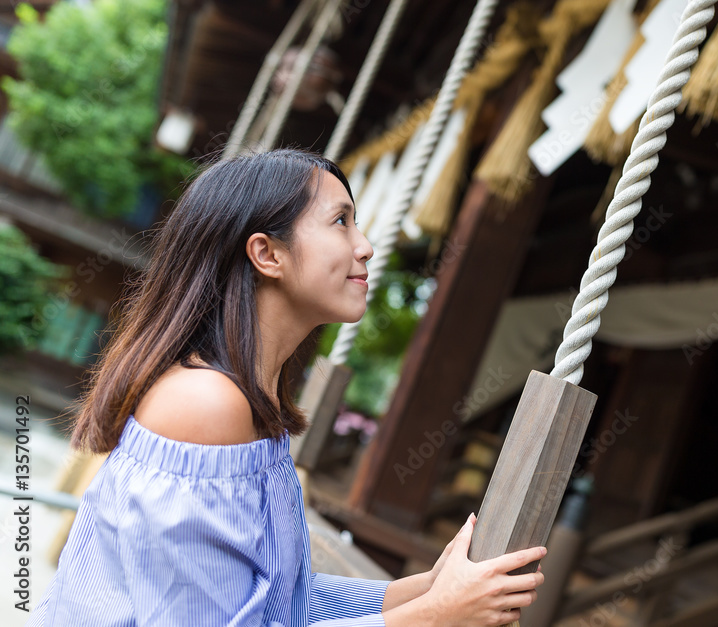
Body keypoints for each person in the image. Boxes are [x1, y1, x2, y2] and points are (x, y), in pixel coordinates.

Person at [27, 149, 545, 626]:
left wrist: (426, 590)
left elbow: (276, 600)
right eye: (340, 221)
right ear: (267, 254)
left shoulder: (251, 399)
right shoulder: (205, 405)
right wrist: (436, 616)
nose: (365, 247)